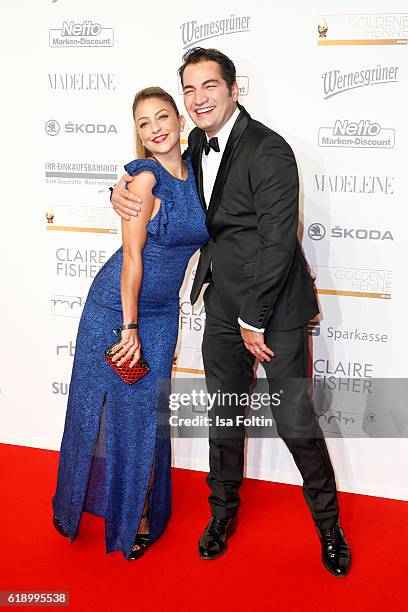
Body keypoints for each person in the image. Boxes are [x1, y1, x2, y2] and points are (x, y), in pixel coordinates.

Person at [111, 49, 352, 577]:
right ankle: (222, 516)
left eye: (209, 87)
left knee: (294, 420)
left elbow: (278, 242)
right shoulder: (195, 142)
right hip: (220, 303)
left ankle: (329, 528)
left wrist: (253, 318)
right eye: (189, 91)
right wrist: (121, 191)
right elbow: (159, 172)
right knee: (224, 416)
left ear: (234, 88)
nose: (198, 100)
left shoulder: (270, 150)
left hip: (274, 310)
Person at [51, 87, 208, 560]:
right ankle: (123, 517)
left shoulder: (194, 170)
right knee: (107, 412)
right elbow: (133, 260)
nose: (156, 128)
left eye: (163, 117)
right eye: (144, 122)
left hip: (161, 315)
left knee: (144, 418)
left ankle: (136, 510)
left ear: (181, 121)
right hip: (119, 312)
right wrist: (129, 327)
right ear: (138, 133)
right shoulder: (143, 180)